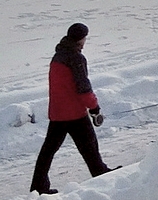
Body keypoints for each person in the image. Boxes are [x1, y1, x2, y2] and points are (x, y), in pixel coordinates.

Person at [30, 23, 115, 195]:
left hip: (57, 112)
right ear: (80, 39)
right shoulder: (76, 58)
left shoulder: (58, 55)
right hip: (75, 114)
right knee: (90, 147)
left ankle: (38, 187)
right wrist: (94, 107)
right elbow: (83, 87)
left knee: (48, 151)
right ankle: (101, 175)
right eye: (84, 38)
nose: (85, 41)